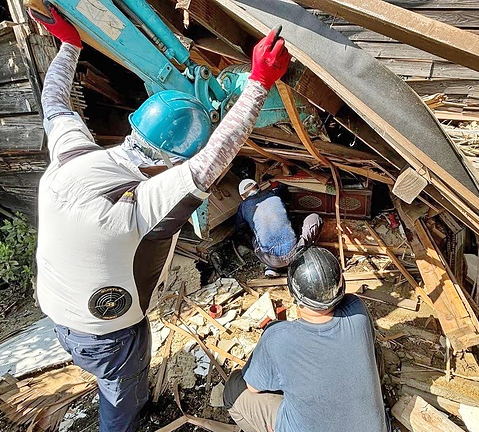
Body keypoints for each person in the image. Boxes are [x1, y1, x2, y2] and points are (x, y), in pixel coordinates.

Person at [28, 6, 291, 432]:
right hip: (105, 333)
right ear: (172, 160)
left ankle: (134, 400)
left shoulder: (71, 158)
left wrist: (70, 47)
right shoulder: (134, 209)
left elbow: (53, 101)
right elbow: (211, 162)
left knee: (128, 369)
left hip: (57, 310)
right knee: (120, 388)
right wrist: (258, 84)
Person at [223, 246, 390, 432]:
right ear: (340, 286)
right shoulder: (357, 310)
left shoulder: (278, 339)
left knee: (234, 388)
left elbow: (253, 388)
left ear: (294, 295)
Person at [236, 179, 322, 277]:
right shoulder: (273, 194)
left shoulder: (242, 207)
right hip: (294, 253)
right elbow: (285, 192)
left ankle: (271, 267)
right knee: (315, 218)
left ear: (243, 197)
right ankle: (304, 254)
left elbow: (240, 231)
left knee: (253, 236)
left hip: (269, 259)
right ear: (258, 187)